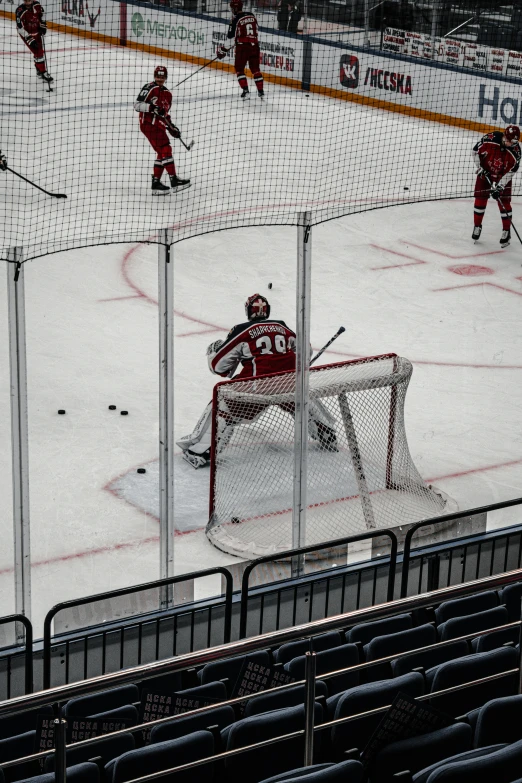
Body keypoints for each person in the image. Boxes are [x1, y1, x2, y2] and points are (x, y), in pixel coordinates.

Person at [177, 294, 338, 468]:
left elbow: (218, 366)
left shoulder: (241, 330)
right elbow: (305, 352)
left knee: (222, 401)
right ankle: (326, 432)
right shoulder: (281, 326)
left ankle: (202, 450)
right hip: (287, 383)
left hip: (257, 387)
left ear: (248, 311)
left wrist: (213, 352)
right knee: (302, 396)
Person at [134, 65, 190, 195]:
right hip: (148, 124)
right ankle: (174, 181)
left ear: (166, 78)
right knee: (166, 148)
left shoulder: (168, 94)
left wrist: (172, 128)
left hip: (158, 126)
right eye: (158, 76)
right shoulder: (149, 88)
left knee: (161, 152)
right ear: (154, 76)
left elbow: (164, 114)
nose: (160, 79)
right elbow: (137, 105)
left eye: (162, 77)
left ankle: (156, 184)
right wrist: (152, 108)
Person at [472, 124, 521, 247]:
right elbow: (475, 151)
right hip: (486, 170)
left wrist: (500, 187)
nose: (511, 144)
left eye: (513, 142)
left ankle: (506, 230)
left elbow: (511, 172)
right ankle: (477, 226)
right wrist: (480, 168)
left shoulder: (516, 153)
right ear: (504, 136)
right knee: (480, 198)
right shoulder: (490, 139)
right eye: (509, 141)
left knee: (504, 201)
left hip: (502, 175)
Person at [216, 0, 265, 100]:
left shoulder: (235, 19)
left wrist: (222, 51)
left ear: (234, 8)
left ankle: (246, 90)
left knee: (239, 69)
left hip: (243, 47)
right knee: (255, 70)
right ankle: (261, 91)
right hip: (255, 45)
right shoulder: (252, 15)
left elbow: (230, 39)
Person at [16, 0, 53, 84]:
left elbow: (42, 15)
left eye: (29, 0)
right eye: (25, 1)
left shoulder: (37, 5)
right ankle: (43, 72)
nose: (27, 3)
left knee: (39, 52)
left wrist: (43, 25)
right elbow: (20, 28)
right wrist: (29, 38)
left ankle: (39, 70)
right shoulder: (20, 11)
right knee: (38, 52)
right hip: (26, 33)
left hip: (37, 31)